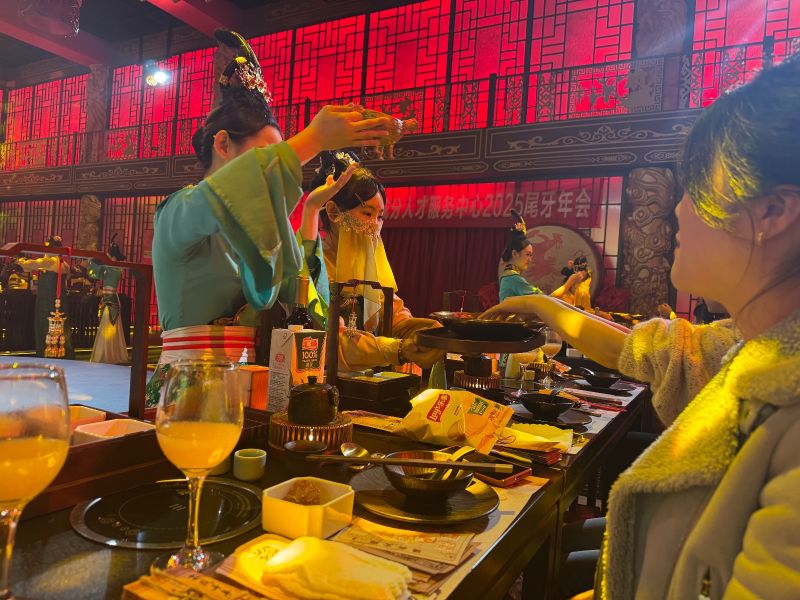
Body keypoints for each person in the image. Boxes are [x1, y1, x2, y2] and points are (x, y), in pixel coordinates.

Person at [483, 54, 800, 599]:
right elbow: (651, 349)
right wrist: (542, 307)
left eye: (695, 185)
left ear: (773, 211)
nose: (676, 209)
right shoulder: (756, 348)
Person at [148, 29, 392, 405]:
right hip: (186, 384)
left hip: (247, 382)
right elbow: (229, 192)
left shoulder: (258, 231)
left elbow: (304, 297)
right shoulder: (177, 213)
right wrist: (313, 140)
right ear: (222, 143)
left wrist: (311, 210)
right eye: (264, 154)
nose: (277, 166)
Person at [298, 150, 444, 373]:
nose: (375, 225)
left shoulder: (370, 266)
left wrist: (428, 332)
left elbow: (395, 318)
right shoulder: (313, 265)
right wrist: (396, 348)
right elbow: (328, 340)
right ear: (334, 212)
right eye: (367, 214)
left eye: (380, 216)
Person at [17, 236, 74, 359]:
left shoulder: (50, 261)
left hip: (47, 299)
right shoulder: (65, 264)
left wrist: (19, 260)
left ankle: (46, 352)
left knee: (45, 322)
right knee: (62, 326)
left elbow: (31, 264)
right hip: (60, 299)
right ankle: (62, 352)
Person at [86, 259, 128, 364]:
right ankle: (109, 353)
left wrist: (92, 262)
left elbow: (93, 274)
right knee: (110, 327)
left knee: (107, 327)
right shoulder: (115, 269)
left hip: (110, 301)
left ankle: (105, 353)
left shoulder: (110, 268)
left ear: (112, 256)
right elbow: (95, 274)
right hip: (110, 300)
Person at [498, 210, 543, 301]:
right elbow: (544, 299)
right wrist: (568, 284)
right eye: (528, 254)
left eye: (531, 255)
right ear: (515, 254)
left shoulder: (509, 276)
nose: (530, 260)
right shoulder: (513, 279)